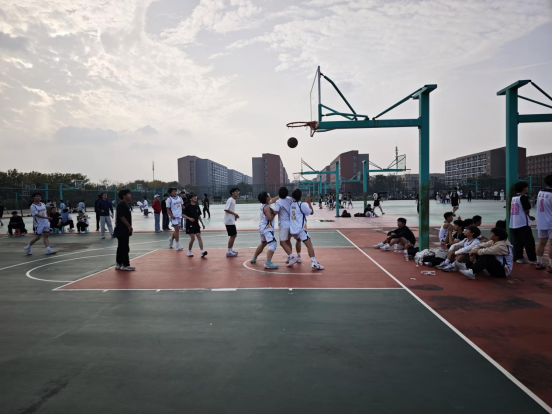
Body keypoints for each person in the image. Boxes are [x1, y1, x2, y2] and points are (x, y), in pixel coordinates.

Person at [289, 188, 324, 270]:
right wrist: (309, 203)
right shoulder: (302, 204)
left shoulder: (291, 205)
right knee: (309, 245)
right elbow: (311, 212)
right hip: (301, 229)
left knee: (298, 241)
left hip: (293, 229)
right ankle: (314, 263)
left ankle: (299, 257)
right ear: (301, 196)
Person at [271, 186, 300, 266]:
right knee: (288, 241)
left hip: (284, 225)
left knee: (282, 242)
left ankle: (292, 257)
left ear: (279, 194)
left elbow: (275, 212)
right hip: (291, 223)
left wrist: (269, 210)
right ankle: (290, 257)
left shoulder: (278, 202)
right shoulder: (290, 199)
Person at [509, 181, 537, 265]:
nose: (527, 189)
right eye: (526, 187)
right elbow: (526, 209)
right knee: (529, 242)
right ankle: (532, 259)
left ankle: (518, 257)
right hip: (522, 222)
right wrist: (529, 216)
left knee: (518, 241)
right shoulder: (523, 197)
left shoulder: (513, 197)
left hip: (514, 222)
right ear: (524, 188)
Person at [251, 192, 279, 269]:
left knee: (263, 243)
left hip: (262, 227)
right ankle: (268, 262)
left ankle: (254, 257)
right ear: (266, 198)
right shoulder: (266, 207)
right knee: (273, 244)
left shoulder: (264, 205)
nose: (270, 196)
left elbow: (273, 200)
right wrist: (275, 213)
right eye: (268, 195)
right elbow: (270, 218)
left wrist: (280, 196)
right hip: (267, 228)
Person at [114, 189, 135, 271]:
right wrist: (128, 226)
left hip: (123, 230)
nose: (130, 196)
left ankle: (119, 263)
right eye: (129, 194)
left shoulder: (126, 204)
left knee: (121, 247)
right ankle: (125, 265)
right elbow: (121, 216)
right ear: (124, 196)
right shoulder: (122, 204)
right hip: (122, 229)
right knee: (124, 247)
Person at [536, 174, 552, 272]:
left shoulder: (540, 192)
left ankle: (539, 263)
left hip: (541, 221)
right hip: (550, 221)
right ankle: (551, 265)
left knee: (541, 243)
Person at [224, 188, 240, 257]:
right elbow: (226, 209)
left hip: (231, 220)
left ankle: (230, 250)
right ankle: (229, 251)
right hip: (229, 221)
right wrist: (235, 214)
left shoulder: (233, 200)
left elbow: (230, 210)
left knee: (234, 235)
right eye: (236, 191)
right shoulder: (230, 200)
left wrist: (234, 216)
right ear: (232, 193)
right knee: (233, 235)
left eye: (238, 191)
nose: (238, 193)